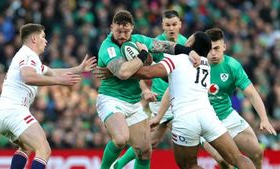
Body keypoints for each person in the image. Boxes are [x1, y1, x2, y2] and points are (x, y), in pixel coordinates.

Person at [135, 31, 256, 169]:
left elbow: (148, 73)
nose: (185, 41)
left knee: (188, 165)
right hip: (208, 116)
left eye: (189, 39)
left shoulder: (177, 59)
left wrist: (142, 55)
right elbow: (174, 82)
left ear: (191, 44)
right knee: (237, 157)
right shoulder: (205, 64)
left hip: (185, 119)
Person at [95, 10, 200, 169]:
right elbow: (123, 73)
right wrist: (143, 54)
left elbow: (166, 46)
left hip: (133, 103)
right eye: (118, 31)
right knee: (121, 139)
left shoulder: (138, 39)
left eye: (126, 31)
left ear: (132, 28)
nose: (122, 35)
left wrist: (189, 51)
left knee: (145, 151)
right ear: (111, 27)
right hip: (111, 99)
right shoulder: (108, 46)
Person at [0, 23, 96, 169]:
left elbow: (53, 72)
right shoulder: (28, 55)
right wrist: (59, 82)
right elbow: (28, 77)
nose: (46, 41)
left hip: (2, 114)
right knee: (44, 150)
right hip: (14, 111)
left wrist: (79, 69)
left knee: (27, 148)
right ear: (34, 39)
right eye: (43, 37)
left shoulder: (29, 58)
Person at [199, 28, 277, 169]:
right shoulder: (196, 65)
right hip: (203, 121)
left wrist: (264, 119)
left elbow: (252, 93)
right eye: (209, 49)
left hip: (226, 115)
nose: (213, 53)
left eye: (217, 48)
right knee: (225, 162)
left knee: (257, 153)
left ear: (224, 47)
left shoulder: (232, 66)